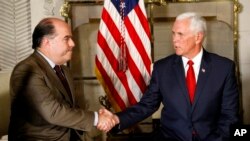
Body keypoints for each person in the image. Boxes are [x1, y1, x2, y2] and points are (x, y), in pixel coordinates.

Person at [103, 12, 240, 141]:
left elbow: (229, 115)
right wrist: (116, 119)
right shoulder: (162, 68)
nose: (175, 40)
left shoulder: (224, 68)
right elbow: (147, 105)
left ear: (198, 37)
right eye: (173, 34)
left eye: (180, 34)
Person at [8, 17, 115, 141]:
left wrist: (100, 118)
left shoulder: (64, 70)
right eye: (66, 39)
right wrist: (96, 118)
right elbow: (53, 112)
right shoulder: (26, 70)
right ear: (47, 42)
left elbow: (71, 108)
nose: (72, 44)